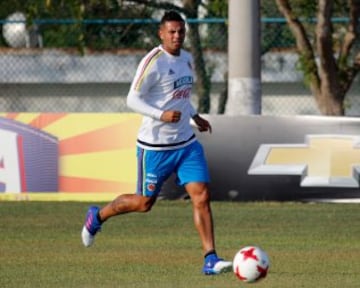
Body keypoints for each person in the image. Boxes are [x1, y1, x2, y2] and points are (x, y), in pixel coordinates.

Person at [81, 10, 232, 275]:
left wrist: (194, 116)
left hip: (186, 144)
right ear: (161, 33)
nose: (177, 36)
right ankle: (98, 216)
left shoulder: (186, 58)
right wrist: (160, 114)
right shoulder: (153, 61)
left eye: (181, 31)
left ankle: (210, 258)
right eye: (172, 32)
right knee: (143, 203)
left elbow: (180, 96)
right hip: (155, 148)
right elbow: (132, 99)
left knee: (202, 196)